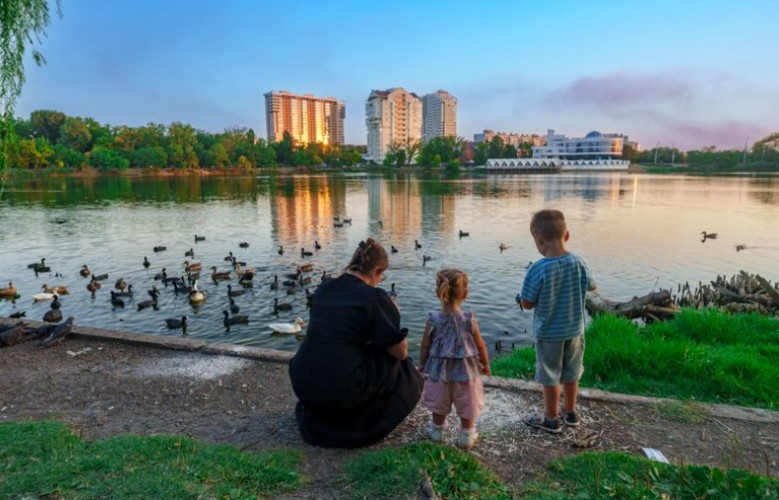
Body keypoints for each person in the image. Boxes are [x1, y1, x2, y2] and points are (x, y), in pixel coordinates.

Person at [289, 238, 423, 448]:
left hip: (303, 380)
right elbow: (400, 352)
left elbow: (338, 329)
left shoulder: (324, 288)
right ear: (376, 270)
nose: (380, 281)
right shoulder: (374, 297)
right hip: (339, 387)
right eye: (382, 275)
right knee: (404, 369)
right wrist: (392, 315)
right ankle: (362, 421)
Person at [517, 209, 596, 434]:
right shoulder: (578, 262)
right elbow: (592, 286)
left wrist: (522, 300)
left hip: (549, 333)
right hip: (574, 331)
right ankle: (570, 413)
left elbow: (528, 303)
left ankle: (551, 419)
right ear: (567, 235)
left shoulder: (537, 268)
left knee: (550, 376)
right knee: (572, 373)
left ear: (539, 240)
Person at [418, 268, 491, 449]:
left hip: (439, 370)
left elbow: (425, 345)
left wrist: (422, 363)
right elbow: (480, 344)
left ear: (439, 292)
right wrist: (486, 364)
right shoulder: (468, 319)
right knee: (467, 399)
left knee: (439, 398)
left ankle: (436, 430)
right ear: (465, 294)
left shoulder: (433, 319)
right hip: (465, 370)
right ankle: (466, 434)